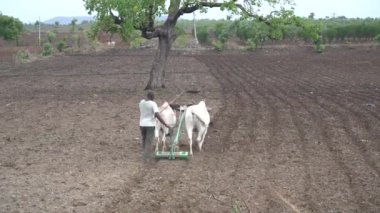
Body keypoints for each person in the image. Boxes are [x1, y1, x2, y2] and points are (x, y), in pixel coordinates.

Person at [139, 91, 171, 161]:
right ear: (152, 97)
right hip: (150, 125)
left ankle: (144, 154)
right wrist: (165, 124)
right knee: (149, 140)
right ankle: (147, 157)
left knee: (144, 139)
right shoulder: (153, 104)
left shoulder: (141, 102)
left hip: (141, 124)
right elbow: (157, 114)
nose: (154, 98)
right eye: (153, 97)